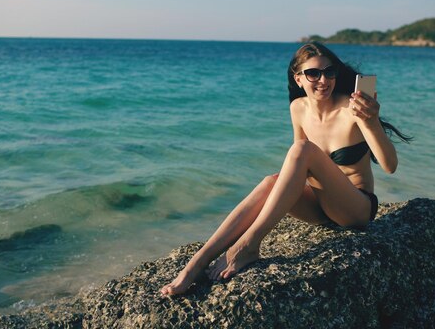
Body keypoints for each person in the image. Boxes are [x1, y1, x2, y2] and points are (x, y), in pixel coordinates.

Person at [160, 41, 411, 296]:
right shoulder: (298, 109)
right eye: (313, 73)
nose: (323, 80)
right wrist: (280, 192)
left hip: (355, 209)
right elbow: (298, 169)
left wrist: (371, 123)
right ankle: (195, 264)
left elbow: (390, 166)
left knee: (302, 150)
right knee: (272, 181)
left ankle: (249, 244)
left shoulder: (352, 109)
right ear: (299, 79)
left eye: (329, 72)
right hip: (319, 208)